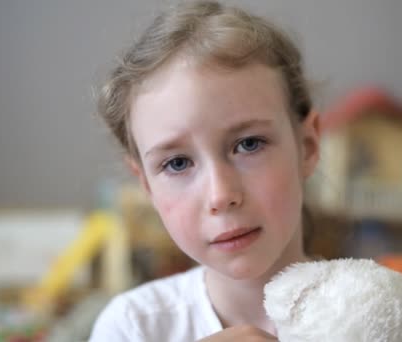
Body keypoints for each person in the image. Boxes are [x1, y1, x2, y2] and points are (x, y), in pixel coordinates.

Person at [89, 1, 320, 340]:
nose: (221, 195)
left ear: (308, 147)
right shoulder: (133, 326)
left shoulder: (385, 316)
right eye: (177, 163)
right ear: (147, 186)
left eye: (249, 144)